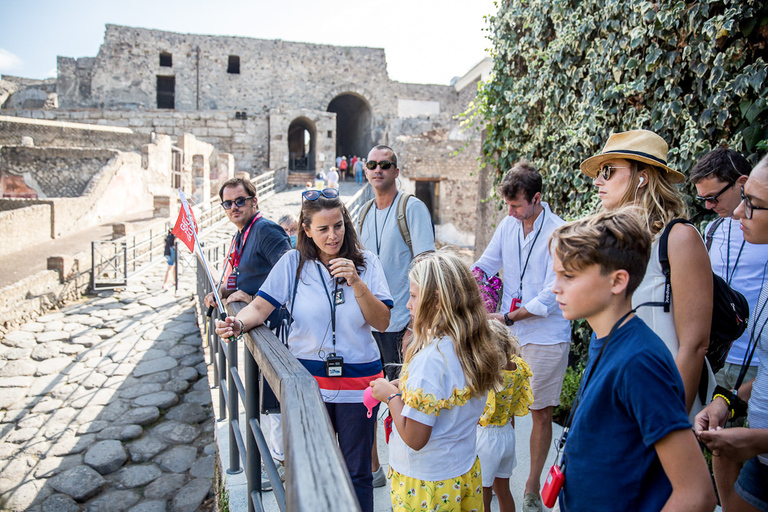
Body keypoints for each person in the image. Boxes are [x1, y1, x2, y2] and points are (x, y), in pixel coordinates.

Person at [216, 187, 392, 512]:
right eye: (322, 229)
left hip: (359, 386)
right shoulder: (292, 263)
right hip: (308, 388)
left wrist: (357, 283)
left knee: (357, 475)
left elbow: (382, 322)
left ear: (346, 224)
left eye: (337, 226)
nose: (332, 236)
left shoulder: (367, 264)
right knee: (312, 472)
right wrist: (238, 324)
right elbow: (259, 308)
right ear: (307, 231)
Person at [550, 208, 716, 512]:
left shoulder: (639, 362)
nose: (555, 287)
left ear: (617, 281)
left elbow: (696, 493)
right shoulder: (606, 340)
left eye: (569, 276)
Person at [580, 129, 714, 421]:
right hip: (612, 394)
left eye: (608, 171)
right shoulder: (609, 240)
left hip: (658, 398)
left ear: (642, 177)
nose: (597, 180)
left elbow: (694, 345)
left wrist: (669, 421)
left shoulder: (678, 238)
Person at [369, 250, 505, 512]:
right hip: (461, 471)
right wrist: (405, 387)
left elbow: (415, 437)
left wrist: (390, 396)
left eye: (413, 296)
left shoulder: (432, 360)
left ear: (437, 302)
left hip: (426, 485)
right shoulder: (472, 346)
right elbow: (447, 397)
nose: (408, 305)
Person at [472, 159, 570, 512]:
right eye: (508, 205)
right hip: (507, 334)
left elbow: (552, 294)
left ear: (537, 198)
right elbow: (484, 264)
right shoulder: (507, 225)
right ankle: (502, 485)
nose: (511, 212)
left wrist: (508, 315)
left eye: (516, 205)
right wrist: (463, 284)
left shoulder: (559, 232)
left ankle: (530, 489)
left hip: (545, 334)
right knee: (502, 410)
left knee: (541, 413)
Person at [204, 177, 291, 489]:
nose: (233, 207)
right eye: (227, 203)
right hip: (257, 328)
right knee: (263, 399)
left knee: (273, 399)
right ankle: (276, 460)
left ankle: (281, 466)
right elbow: (242, 275)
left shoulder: (266, 230)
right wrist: (221, 292)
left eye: (239, 201)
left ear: (254, 201)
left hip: (276, 329)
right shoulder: (241, 234)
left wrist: (253, 299)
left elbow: (289, 271)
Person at [358, 144, 436, 486]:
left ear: (396, 171)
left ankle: (404, 471)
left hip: (400, 324)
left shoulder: (411, 207)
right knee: (367, 397)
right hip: (367, 322)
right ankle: (375, 469)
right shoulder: (361, 213)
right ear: (365, 170)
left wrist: (417, 327)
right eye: (372, 164)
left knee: (399, 400)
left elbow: (426, 266)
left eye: (385, 165)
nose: (378, 170)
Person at [696, 156, 768, 512]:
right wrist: (727, 400)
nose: (738, 213)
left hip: (756, 370)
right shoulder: (711, 231)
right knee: (721, 453)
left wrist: (758, 440)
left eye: (751, 204)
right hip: (723, 365)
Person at [691, 148, 766, 390]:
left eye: (714, 197)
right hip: (718, 360)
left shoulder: (763, 230)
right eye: (704, 200)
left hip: (759, 364)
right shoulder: (712, 230)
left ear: (741, 183)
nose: (710, 205)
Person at [477, 320, 533, 512]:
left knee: (482, 495)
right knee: (504, 491)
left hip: (485, 438)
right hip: (506, 434)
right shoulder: (517, 370)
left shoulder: (488, 376)